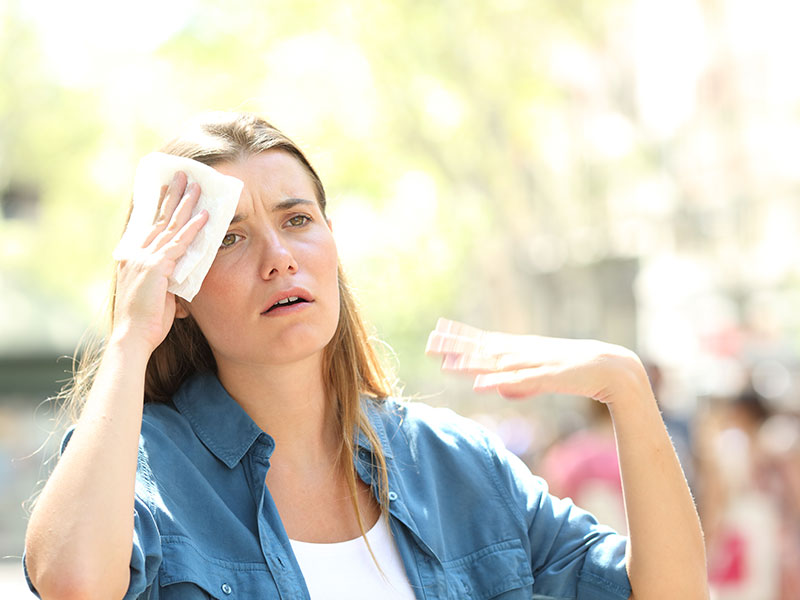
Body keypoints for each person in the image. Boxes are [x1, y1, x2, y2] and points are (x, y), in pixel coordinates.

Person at [23, 112, 708, 599]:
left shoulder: (455, 466)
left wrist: (626, 388)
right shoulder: (147, 472)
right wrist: (129, 338)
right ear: (180, 284)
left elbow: (670, 593)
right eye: (230, 239)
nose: (279, 257)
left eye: (297, 220)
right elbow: (75, 583)